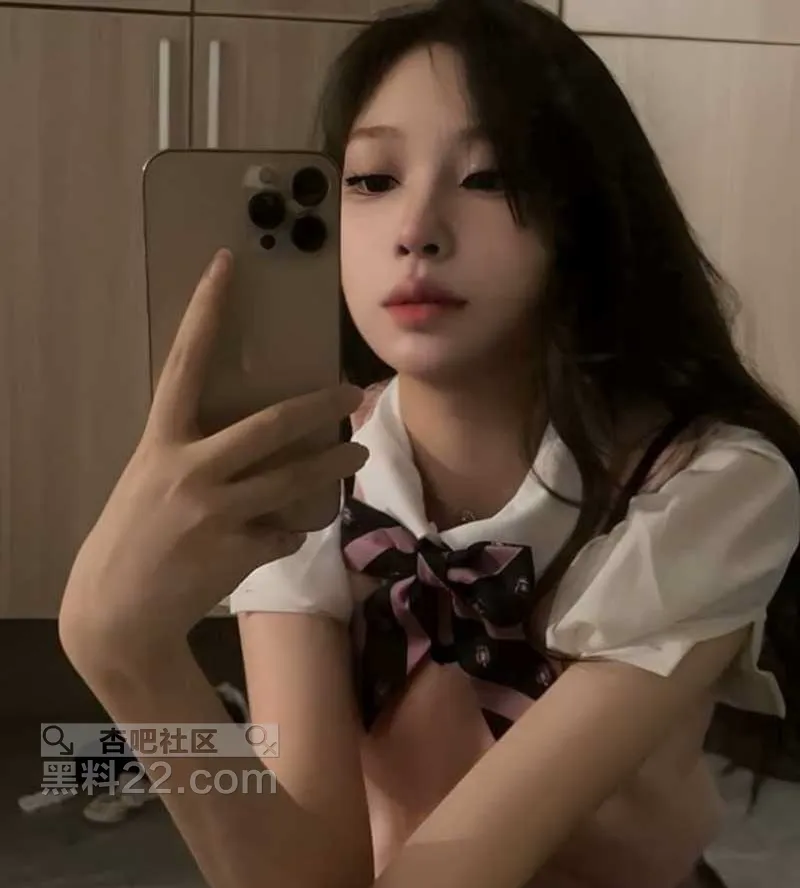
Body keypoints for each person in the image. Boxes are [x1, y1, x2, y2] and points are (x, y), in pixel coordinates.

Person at [58, 1, 800, 886]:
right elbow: (303, 873)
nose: (416, 229)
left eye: (488, 178)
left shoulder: (703, 489)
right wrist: (123, 650)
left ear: (584, 216)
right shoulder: (310, 476)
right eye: (372, 179)